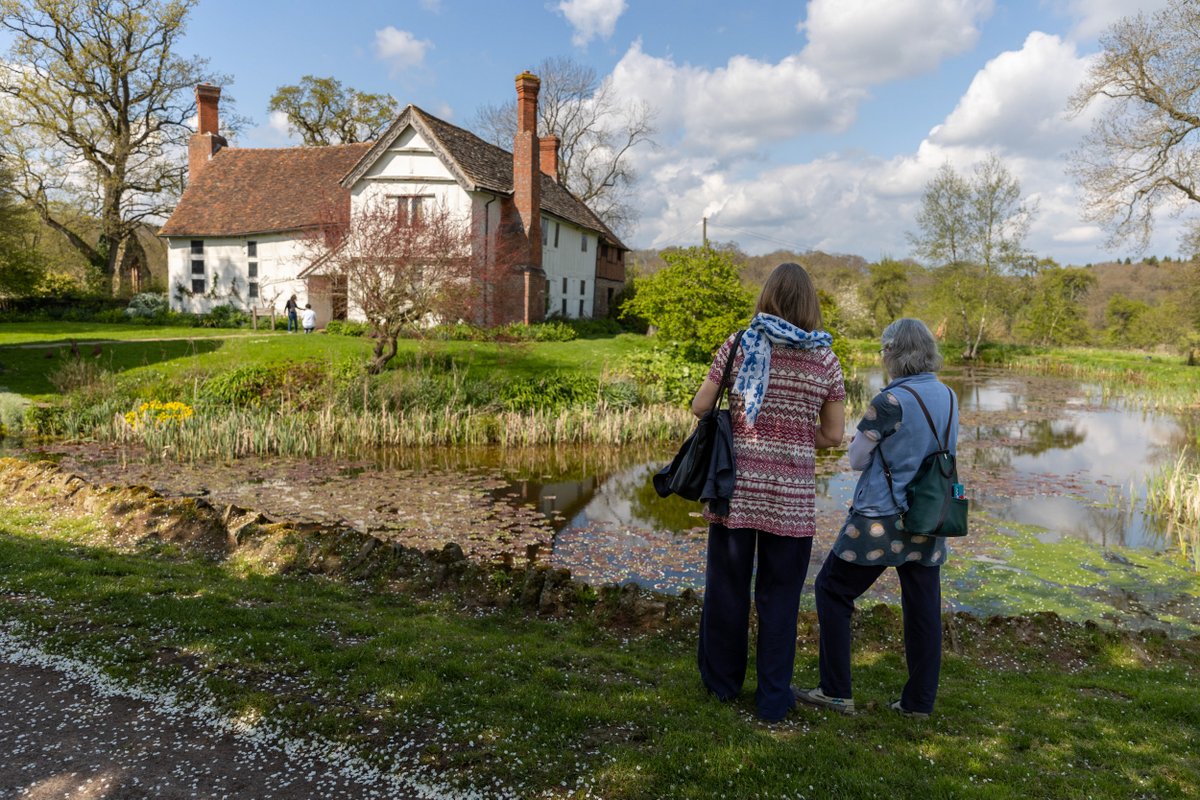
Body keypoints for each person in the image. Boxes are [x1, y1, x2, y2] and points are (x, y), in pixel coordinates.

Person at [692, 262, 846, 722]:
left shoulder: (740, 345)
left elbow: (702, 406)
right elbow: (834, 435)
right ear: (810, 305)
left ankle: (722, 686)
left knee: (727, 589)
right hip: (792, 502)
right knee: (780, 599)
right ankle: (773, 700)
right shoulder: (826, 360)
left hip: (735, 492)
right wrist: (796, 436)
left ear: (768, 297)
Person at [797, 317, 957, 719]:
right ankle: (918, 703)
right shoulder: (950, 396)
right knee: (923, 608)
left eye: (884, 350)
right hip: (929, 516)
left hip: (880, 519)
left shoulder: (889, 402)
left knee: (832, 589)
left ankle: (835, 691)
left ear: (893, 353)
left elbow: (855, 459)